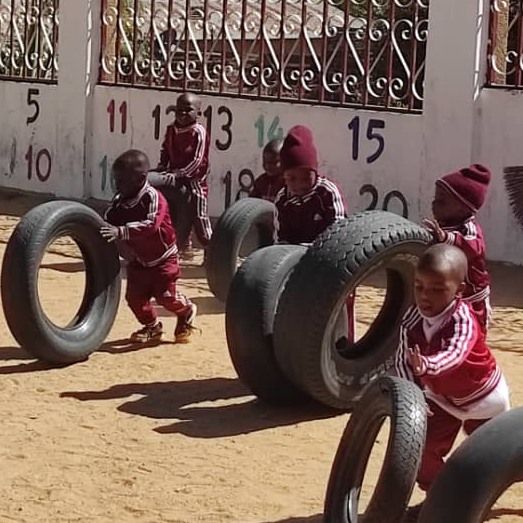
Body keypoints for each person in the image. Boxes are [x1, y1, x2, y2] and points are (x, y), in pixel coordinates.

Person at [396, 244, 510, 521]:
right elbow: (402, 362)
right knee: (423, 452)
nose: (425, 296)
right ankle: (439, 500)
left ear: (458, 291)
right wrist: (413, 397)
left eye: (437, 289)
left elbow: (454, 354)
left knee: (499, 461)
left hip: (484, 400)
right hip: (441, 400)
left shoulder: (463, 318)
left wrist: (428, 366)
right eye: (419, 286)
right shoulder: (411, 320)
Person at [100, 149, 198, 344]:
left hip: (164, 258)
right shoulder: (119, 202)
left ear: (140, 179)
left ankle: (186, 310)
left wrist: (121, 231)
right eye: (116, 180)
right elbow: (106, 221)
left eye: (122, 181)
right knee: (134, 298)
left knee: (165, 297)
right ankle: (152, 326)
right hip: (140, 260)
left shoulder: (153, 198)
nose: (117, 185)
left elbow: (151, 225)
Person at [274, 125, 354, 341]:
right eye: (291, 178)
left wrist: (311, 250)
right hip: (297, 264)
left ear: (315, 172)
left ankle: (343, 346)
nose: (298, 184)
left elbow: (339, 232)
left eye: (305, 177)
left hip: (331, 261)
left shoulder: (327, 192)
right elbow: (280, 238)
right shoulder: (282, 199)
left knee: (337, 309)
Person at [423, 164, 492, 331]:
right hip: (448, 297)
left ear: (463, 209)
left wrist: (447, 238)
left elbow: (474, 248)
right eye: (434, 198)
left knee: (473, 335)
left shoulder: (469, 229)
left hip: (472, 299)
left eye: (441, 201)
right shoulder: (441, 226)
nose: (434, 204)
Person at [148, 92, 212, 261]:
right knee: (174, 211)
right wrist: (163, 166)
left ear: (198, 113)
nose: (182, 113)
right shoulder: (171, 129)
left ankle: (211, 248)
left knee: (199, 216)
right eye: (179, 109)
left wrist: (180, 173)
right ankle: (184, 245)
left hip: (194, 180)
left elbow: (198, 160)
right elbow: (165, 149)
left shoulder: (198, 132)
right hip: (173, 175)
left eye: (188, 110)